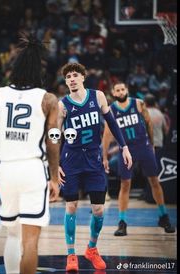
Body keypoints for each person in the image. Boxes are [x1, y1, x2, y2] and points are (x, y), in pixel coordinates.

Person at [0, 33, 60, 274]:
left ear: (13, 70)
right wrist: (55, 177)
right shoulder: (48, 100)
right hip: (32, 169)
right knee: (30, 242)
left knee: (12, 235)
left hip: (4, 171)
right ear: (39, 71)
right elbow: (53, 141)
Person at [57, 63, 132, 271]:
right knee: (70, 206)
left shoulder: (97, 96)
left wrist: (124, 147)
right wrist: (54, 165)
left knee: (98, 210)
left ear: (82, 77)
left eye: (74, 75)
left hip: (93, 160)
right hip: (70, 160)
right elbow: (54, 136)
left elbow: (113, 123)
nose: (71, 79)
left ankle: (91, 249)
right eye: (68, 77)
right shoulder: (62, 105)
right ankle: (71, 254)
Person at [102, 82, 175, 236]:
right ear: (114, 93)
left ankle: (163, 216)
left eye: (123, 89)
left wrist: (152, 144)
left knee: (154, 181)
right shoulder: (112, 110)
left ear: (126, 90)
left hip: (143, 146)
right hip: (126, 150)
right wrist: (104, 156)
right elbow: (107, 134)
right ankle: (122, 222)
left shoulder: (139, 104)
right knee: (125, 184)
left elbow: (148, 123)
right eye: (118, 90)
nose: (121, 92)